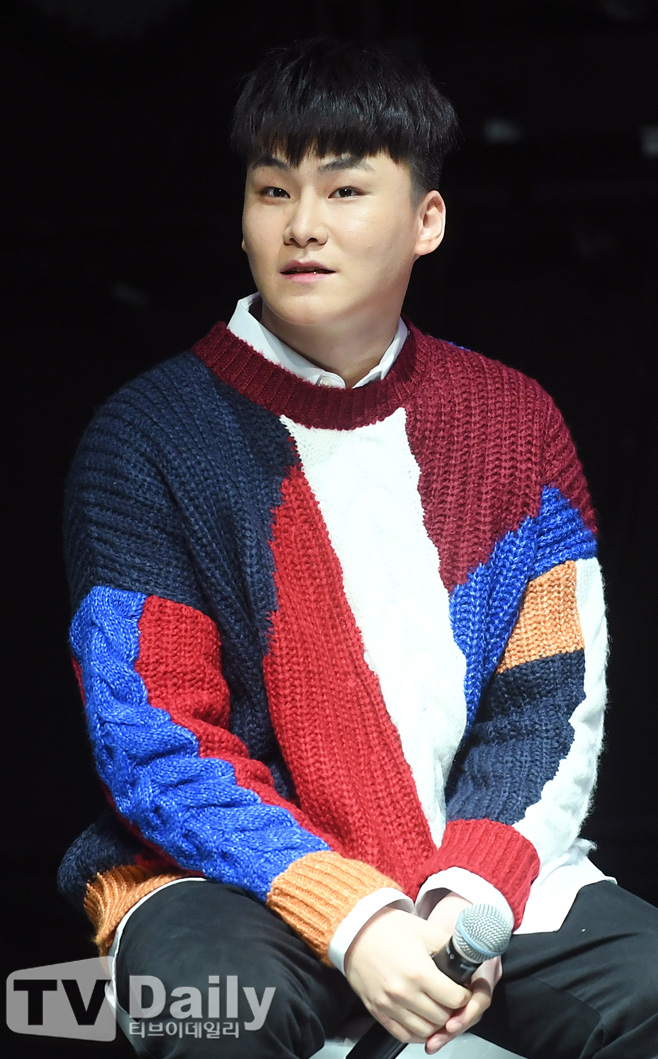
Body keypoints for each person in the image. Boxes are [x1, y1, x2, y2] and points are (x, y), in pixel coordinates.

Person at [58, 36, 657, 1059]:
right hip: (231, 881)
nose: (302, 225)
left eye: (343, 191)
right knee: (214, 1013)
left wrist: (469, 895)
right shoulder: (146, 439)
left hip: (470, 873)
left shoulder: (512, 422)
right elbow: (155, 739)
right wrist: (356, 916)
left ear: (427, 221)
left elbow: (548, 704)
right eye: (272, 191)